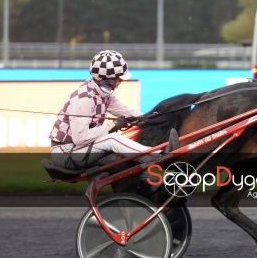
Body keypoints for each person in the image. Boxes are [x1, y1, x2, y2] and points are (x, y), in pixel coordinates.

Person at [49, 49, 178, 171]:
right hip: (66, 153)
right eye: (118, 78)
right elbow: (80, 138)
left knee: (124, 164)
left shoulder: (102, 94)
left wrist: (151, 117)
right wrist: (113, 125)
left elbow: (127, 113)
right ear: (106, 78)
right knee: (112, 139)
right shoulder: (85, 99)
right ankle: (159, 156)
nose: (120, 81)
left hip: (78, 149)